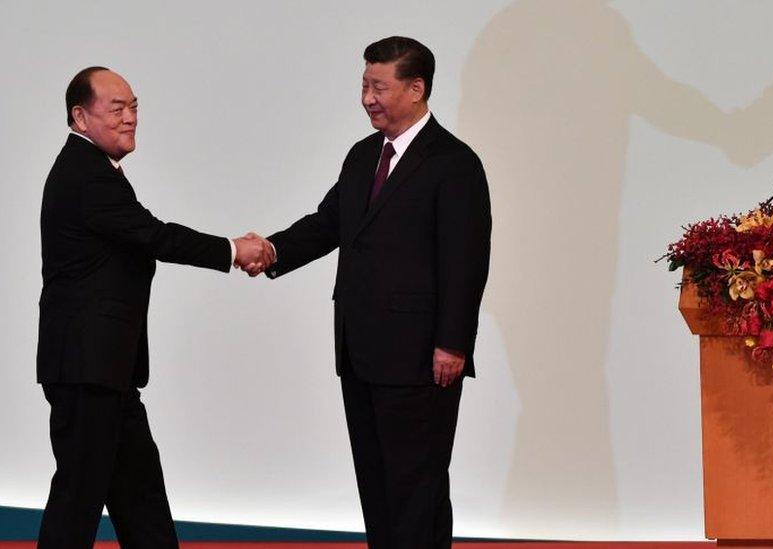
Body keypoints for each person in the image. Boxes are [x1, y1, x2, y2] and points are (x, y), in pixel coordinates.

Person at [249, 37, 491, 548]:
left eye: (378, 87)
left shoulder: (454, 163)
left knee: (416, 485)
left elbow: (465, 263)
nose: (367, 98)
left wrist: (452, 343)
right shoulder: (362, 156)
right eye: (364, 86)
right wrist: (272, 250)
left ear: (416, 88)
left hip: (421, 357)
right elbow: (328, 223)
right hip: (360, 352)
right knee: (377, 483)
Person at [37, 66, 274, 547]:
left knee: (140, 497)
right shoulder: (85, 175)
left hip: (109, 373)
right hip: (87, 371)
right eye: (116, 108)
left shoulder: (95, 171)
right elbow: (155, 235)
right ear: (80, 117)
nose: (130, 118)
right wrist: (233, 250)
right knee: (77, 502)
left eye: (134, 106)